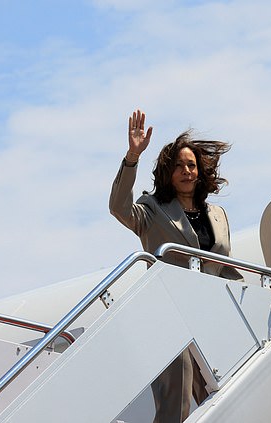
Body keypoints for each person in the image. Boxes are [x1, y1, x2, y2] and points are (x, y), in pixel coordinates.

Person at [109, 109, 242, 422]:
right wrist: (132, 156)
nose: (186, 170)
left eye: (192, 165)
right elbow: (118, 207)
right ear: (168, 173)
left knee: (220, 398)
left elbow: (226, 268)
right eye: (179, 166)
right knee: (175, 404)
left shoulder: (218, 215)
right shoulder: (152, 209)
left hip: (209, 315)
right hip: (169, 314)